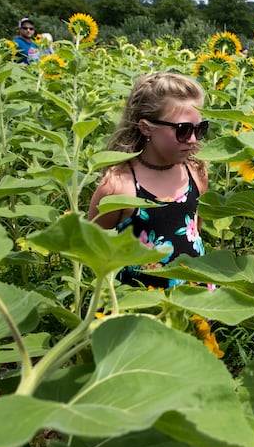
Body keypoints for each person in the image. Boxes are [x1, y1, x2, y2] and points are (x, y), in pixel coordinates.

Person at [87, 72, 209, 288]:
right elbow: (92, 246)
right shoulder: (119, 185)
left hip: (197, 297)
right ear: (146, 128)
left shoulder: (196, 171)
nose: (192, 139)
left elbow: (195, 228)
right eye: (183, 130)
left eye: (199, 129)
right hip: (142, 303)